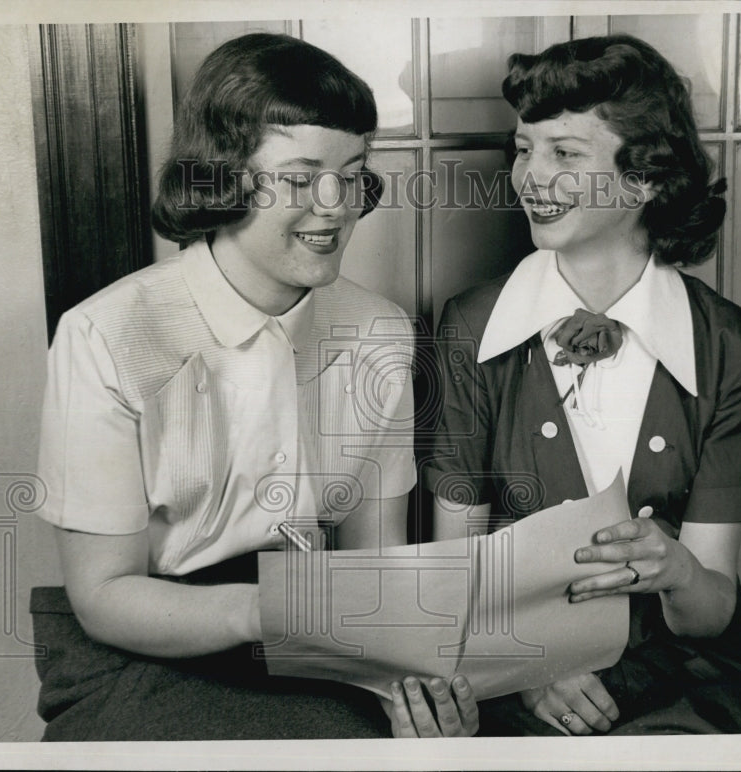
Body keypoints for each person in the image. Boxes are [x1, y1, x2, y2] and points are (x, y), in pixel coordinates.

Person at [30, 32, 439, 740]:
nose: (338, 205)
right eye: (303, 175)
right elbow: (101, 596)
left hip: (316, 630)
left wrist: (411, 679)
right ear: (222, 176)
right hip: (145, 643)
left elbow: (378, 564)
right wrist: (261, 611)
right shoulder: (104, 334)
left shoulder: (380, 331)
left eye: (353, 171)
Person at [419, 34, 741, 735]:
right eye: (523, 148)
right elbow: (456, 566)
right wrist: (527, 665)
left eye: (565, 153)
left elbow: (711, 608)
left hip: (687, 675)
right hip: (510, 667)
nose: (530, 177)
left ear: (646, 179)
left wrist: (677, 570)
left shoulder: (732, 346)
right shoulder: (469, 327)